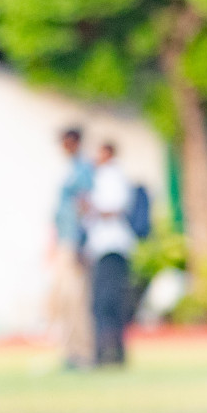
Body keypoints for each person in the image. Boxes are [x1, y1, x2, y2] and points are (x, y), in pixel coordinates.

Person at [85, 141, 137, 366]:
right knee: (104, 302)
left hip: (112, 247)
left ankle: (110, 353)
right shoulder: (101, 176)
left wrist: (90, 208)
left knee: (107, 302)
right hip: (103, 248)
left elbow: (113, 208)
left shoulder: (112, 176)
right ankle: (108, 352)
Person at [52, 126, 94, 369]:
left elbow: (84, 207)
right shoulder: (67, 169)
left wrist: (80, 241)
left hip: (74, 242)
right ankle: (68, 351)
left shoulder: (82, 170)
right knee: (63, 300)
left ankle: (83, 353)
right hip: (63, 241)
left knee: (77, 299)